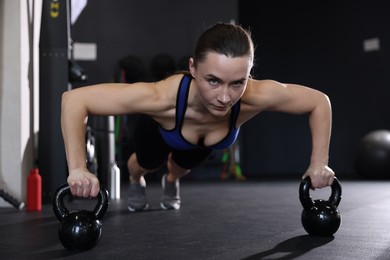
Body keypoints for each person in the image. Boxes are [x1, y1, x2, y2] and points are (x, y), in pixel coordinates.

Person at [61, 22, 335, 211]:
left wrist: (319, 164)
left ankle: (172, 180)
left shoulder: (256, 95)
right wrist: (78, 168)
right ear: (192, 67)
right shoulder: (161, 97)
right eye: (213, 81)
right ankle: (137, 181)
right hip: (160, 131)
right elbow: (74, 100)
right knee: (144, 163)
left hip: (201, 142)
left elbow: (319, 102)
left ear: (249, 73)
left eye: (237, 82)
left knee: (180, 168)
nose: (225, 97)